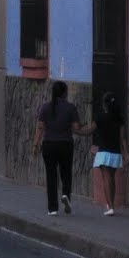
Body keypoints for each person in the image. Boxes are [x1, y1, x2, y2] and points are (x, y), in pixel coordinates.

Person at [32, 81, 90, 215]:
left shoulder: (45, 107)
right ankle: (65, 195)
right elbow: (76, 128)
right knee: (66, 173)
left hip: (49, 145)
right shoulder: (70, 108)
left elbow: (40, 128)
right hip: (65, 144)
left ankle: (52, 209)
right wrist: (85, 129)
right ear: (64, 93)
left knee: (51, 176)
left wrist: (35, 145)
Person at [81, 92, 129, 216]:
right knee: (112, 179)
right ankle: (110, 204)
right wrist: (126, 153)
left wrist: (76, 130)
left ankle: (111, 207)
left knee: (106, 178)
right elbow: (122, 138)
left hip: (104, 152)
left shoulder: (100, 117)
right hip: (116, 153)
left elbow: (88, 131)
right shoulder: (119, 119)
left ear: (105, 104)